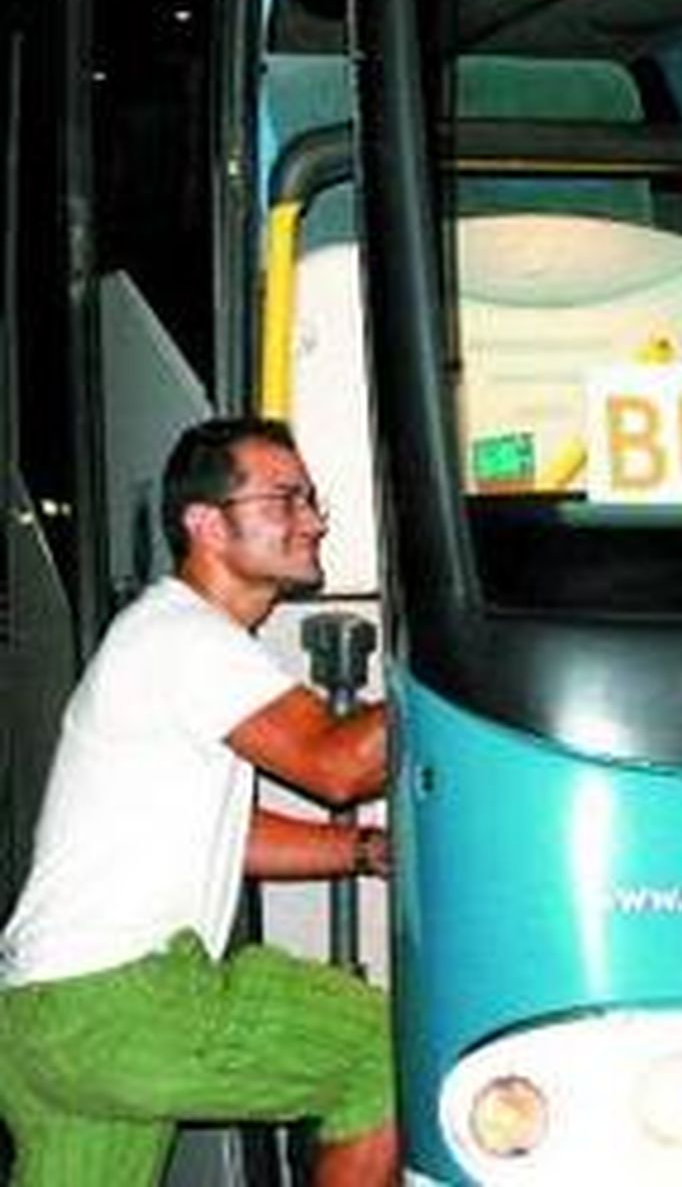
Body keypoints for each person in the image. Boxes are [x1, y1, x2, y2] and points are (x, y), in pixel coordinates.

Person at [0, 417, 397, 1187]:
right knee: (387, 1052)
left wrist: (360, 851)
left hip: (43, 1016)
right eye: (285, 500)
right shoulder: (186, 638)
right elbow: (337, 766)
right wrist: (450, 668)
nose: (313, 519)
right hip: (123, 1001)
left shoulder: (160, 640)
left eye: (311, 499)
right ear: (206, 524)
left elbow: (223, 837)